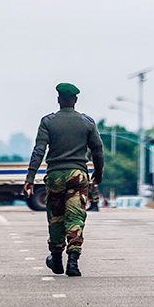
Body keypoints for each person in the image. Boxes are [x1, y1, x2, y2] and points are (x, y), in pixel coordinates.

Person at [24, 83, 104, 277]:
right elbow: (97, 150)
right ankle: (73, 262)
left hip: (55, 176)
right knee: (76, 217)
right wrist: (98, 173)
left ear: (59, 99)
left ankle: (57, 259)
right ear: (75, 100)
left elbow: (39, 151)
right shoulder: (87, 122)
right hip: (78, 175)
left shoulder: (48, 122)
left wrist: (30, 177)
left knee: (56, 218)